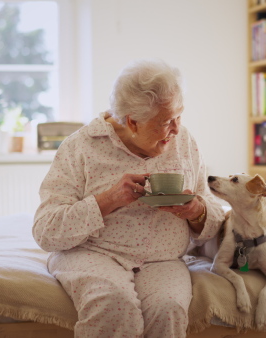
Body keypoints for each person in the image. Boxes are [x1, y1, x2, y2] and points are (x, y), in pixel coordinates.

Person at [33, 58, 225, 337]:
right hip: (93, 254)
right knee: (113, 303)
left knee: (168, 308)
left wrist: (196, 210)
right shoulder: (81, 147)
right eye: (166, 122)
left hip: (163, 259)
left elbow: (215, 215)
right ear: (133, 122)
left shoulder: (184, 142)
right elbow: (45, 231)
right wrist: (107, 200)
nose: (176, 129)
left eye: (179, 116)